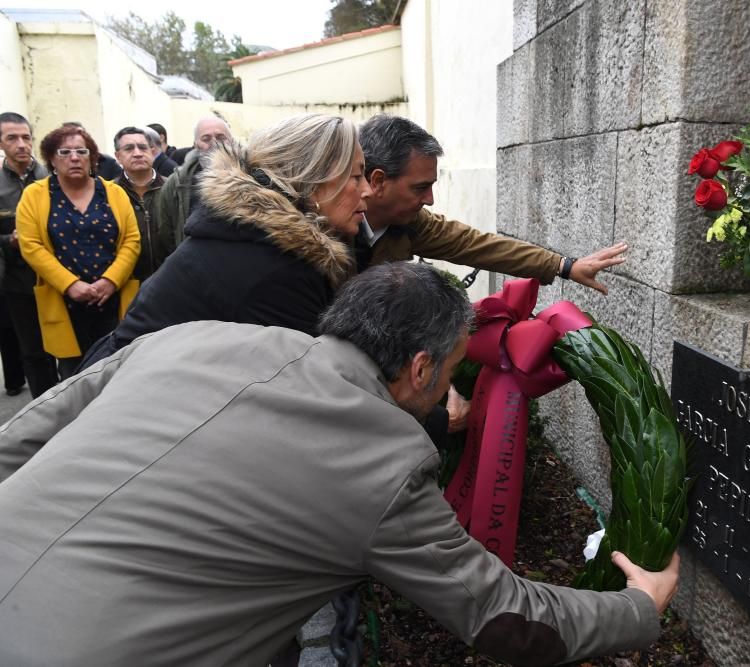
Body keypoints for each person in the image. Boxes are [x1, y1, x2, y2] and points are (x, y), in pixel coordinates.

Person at [0, 262, 680, 667]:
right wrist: (636, 609)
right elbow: (504, 616)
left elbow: (18, 441)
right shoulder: (383, 460)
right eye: (450, 374)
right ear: (419, 369)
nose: (451, 392)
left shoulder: (188, 337)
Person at [80, 113, 362, 367]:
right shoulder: (271, 266)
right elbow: (307, 380)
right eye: (357, 176)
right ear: (313, 181)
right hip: (124, 395)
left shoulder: (261, 240)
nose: (368, 190)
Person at [359, 114, 627, 294]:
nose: (430, 200)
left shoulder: (412, 224)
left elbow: (476, 244)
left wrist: (564, 266)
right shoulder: (326, 234)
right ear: (379, 181)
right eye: (420, 188)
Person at [15, 124, 140, 378]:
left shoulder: (114, 193)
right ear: (51, 158)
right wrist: (70, 284)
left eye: (81, 151)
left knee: (118, 369)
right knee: (74, 377)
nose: (74, 157)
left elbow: (131, 240)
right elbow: (31, 246)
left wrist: (110, 281)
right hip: (65, 300)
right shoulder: (34, 195)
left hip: (112, 299)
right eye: (64, 152)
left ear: (92, 158)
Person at [0, 112, 52, 396]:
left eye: (26, 137)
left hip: (57, 277)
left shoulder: (51, 178)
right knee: (32, 351)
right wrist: (10, 240)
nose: (21, 144)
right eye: (12, 138)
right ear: (1, 143)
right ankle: (42, 405)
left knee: (64, 345)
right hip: (18, 282)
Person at [156, 115, 233, 254]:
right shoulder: (176, 182)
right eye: (206, 139)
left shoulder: (252, 176)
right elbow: (166, 233)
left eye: (221, 137)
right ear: (196, 144)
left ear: (232, 141)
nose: (214, 143)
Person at [112, 126, 167, 280]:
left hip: (171, 281)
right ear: (118, 156)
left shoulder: (172, 188)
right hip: (127, 282)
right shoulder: (109, 193)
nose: (137, 153)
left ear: (153, 151)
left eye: (143, 147)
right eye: (129, 149)